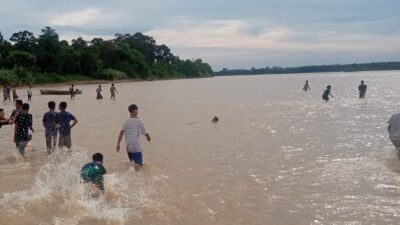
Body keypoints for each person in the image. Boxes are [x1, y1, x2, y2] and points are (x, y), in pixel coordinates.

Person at [116, 104, 151, 171]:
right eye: (137, 110)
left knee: (132, 163)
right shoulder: (139, 121)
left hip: (128, 145)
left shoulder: (126, 121)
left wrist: (118, 144)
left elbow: (121, 132)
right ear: (134, 111)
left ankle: (132, 175)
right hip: (136, 145)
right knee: (139, 165)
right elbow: (144, 131)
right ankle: (137, 176)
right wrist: (148, 137)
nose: (137, 111)